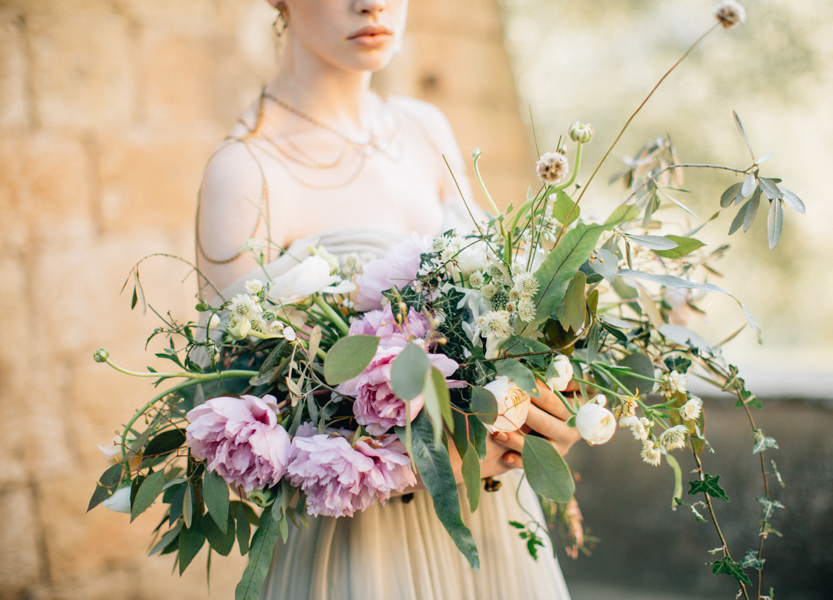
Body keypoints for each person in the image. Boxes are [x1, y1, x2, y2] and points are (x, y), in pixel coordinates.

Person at [195, 1, 580, 598]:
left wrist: (546, 411)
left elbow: (495, 320)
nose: (370, 3)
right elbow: (233, 441)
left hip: (498, 526)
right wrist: (442, 462)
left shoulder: (424, 127)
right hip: (367, 553)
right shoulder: (245, 172)